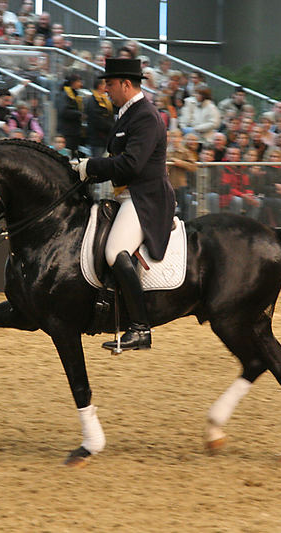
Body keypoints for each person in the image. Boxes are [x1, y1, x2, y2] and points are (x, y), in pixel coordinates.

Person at [74, 58, 175, 351]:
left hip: (146, 198)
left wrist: (90, 166)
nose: (105, 89)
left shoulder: (145, 116)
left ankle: (140, 328)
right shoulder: (126, 114)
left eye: (110, 84)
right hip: (127, 195)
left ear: (126, 85)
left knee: (114, 250)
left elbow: (130, 165)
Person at [56, 73, 84, 156]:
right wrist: (79, 114)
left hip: (74, 131)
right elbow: (64, 111)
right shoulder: (65, 94)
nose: (80, 84)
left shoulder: (75, 94)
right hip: (67, 131)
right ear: (73, 82)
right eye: (79, 81)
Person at [84, 77, 113, 158]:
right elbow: (97, 120)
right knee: (98, 162)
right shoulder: (92, 101)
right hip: (97, 138)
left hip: (106, 138)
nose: (107, 87)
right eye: (105, 84)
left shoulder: (105, 99)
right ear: (100, 86)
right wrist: (111, 127)